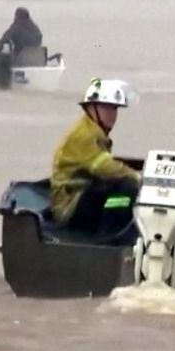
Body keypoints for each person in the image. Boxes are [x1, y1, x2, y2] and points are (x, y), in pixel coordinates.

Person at [51, 78, 141, 238]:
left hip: (81, 195)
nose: (112, 114)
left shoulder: (94, 131)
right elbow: (104, 167)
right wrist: (136, 176)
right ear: (91, 107)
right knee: (127, 187)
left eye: (115, 108)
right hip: (70, 204)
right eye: (106, 107)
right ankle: (109, 237)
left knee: (121, 185)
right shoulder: (84, 135)